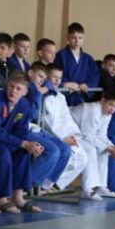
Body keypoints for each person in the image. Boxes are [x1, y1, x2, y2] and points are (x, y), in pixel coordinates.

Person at [0, 72, 44, 214]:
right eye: (11, 86)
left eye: (18, 88)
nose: (13, 91)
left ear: (25, 92)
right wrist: (22, 143)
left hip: (6, 139)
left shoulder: (24, 104)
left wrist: (28, 144)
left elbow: (21, 130)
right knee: (4, 152)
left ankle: (18, 197)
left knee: (22, 151)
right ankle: (1, 199)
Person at [38, 63, 87, 191]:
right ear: (47, 78)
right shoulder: (44, 96)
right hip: (50, 134)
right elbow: (47, 121)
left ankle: (55, 184)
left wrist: (73, 135)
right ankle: (44, 184)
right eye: (54, 77)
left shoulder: (60, 96)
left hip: (65, 133)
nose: (57, 81)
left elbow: (66, 118)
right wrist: (63, 138)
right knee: (67, 153)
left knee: (82, 157)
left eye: (59, 78)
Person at [73, 88, 115, 200]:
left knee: (105, 150)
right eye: (110, 104)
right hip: (71, 134)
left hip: (82, 135)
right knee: (91, 149)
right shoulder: (93, 109)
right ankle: (87, 189)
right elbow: (87, 135)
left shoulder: (107, 114)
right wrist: (108, 147)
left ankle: (101, 186)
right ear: (103, 100)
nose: (112, 109)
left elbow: (102, 135)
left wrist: (111, 147)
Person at [54, 23, 99, 108]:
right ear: (67, 38)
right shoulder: (61, 55)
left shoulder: (88, 58)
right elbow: (57, 74)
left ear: (83, 38)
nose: (77, 41)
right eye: (73, 38)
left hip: (82, 95)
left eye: (80, 38)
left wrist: (87, 86)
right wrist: (68, 85)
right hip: (67, 95)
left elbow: (95, 75)